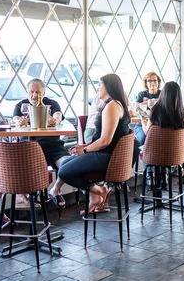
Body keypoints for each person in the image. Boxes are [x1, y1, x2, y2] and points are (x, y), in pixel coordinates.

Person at [58, 73, 131, 214]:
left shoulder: (112, 106)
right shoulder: (114, 104)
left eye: (99, 85)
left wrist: (85, 151)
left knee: (64, 172)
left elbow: (105, 140)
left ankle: (99, 190)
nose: (97, 88)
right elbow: (102, 137)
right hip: (105, 153)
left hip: (106, 156)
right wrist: (85, 146)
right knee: (63, 165)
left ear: (108, 87)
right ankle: (95, 194)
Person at [12, 79, 69, 208]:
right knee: (15, 161)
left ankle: (55, 189)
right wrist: (19, 121)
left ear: (44, 92)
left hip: (52, 146)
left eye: (37, 92)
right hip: (28, 148)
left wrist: (54, 120)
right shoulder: (21, 105)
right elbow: (15, 119)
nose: (34, 95)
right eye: (31, 92)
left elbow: (58, 116)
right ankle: (22, 195)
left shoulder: (51, 103)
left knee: (68, 164)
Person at [133, 71, 162, 145]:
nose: (152, 83)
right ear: (146, 83)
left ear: (158, 82)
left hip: (159, 123)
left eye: (155, 80)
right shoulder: (141, 94)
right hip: (141, 123)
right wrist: (146, 117)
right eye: (149, 81)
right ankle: (143, 156)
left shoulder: (163, 94)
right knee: (143, 138)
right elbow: (137, 110)